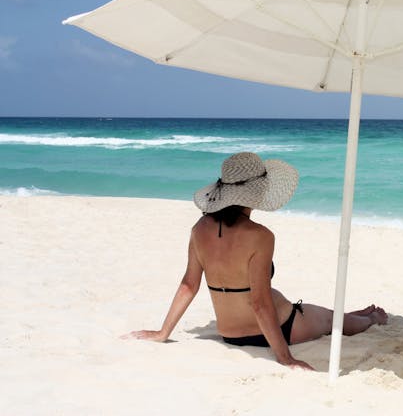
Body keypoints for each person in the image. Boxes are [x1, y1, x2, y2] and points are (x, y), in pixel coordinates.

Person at [126, 152, 387, 370]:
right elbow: (260, 303)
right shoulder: (260, 236)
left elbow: (188, 285)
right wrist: (285, 358)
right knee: (331, 321)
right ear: (257, 192)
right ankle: (373, 319)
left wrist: (163, 333)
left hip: (230, 333)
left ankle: (357, 313)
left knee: (326, 314)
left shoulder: (199, 229)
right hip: (281, 328)